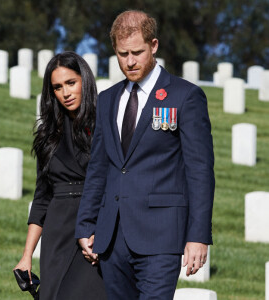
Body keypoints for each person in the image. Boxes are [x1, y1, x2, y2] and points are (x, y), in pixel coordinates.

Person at [75, 10, 215, 299]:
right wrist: (86, 225)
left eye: (137, 52)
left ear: (154, 45)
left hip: (162, 235)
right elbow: (99, 167)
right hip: (112, 237)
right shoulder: (108, 98)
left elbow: (199, 171)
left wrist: (198, 236)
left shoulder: (185, 96)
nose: (129, 61)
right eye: (122, 53)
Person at [14, 51, 106, 300]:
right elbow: (42, 198)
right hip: (57, 231)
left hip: (95, 225)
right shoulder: (48, 136)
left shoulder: (106, 126)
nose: (65, 93)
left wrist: (103, 231)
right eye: (57, 87)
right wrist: (26, 256)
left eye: (70, 83)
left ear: (84, 80)